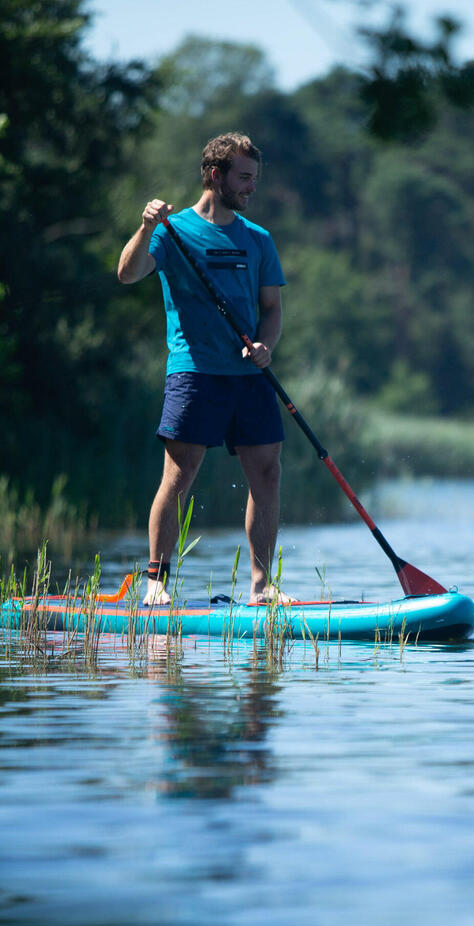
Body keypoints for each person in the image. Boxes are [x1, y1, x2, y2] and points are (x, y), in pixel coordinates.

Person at [117, 132, 290, 606]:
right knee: (179, 476)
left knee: (268, 473)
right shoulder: (173, 233)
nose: (252, 187)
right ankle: (157, 583)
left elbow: (271, 308)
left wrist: (264, 345)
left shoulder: (258, 239)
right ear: (216, 175)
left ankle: (261, 586)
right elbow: (128, 273)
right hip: (195, 373)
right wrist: (146, 227)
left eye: (255, 178)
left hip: (250, 377)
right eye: (245, 178)